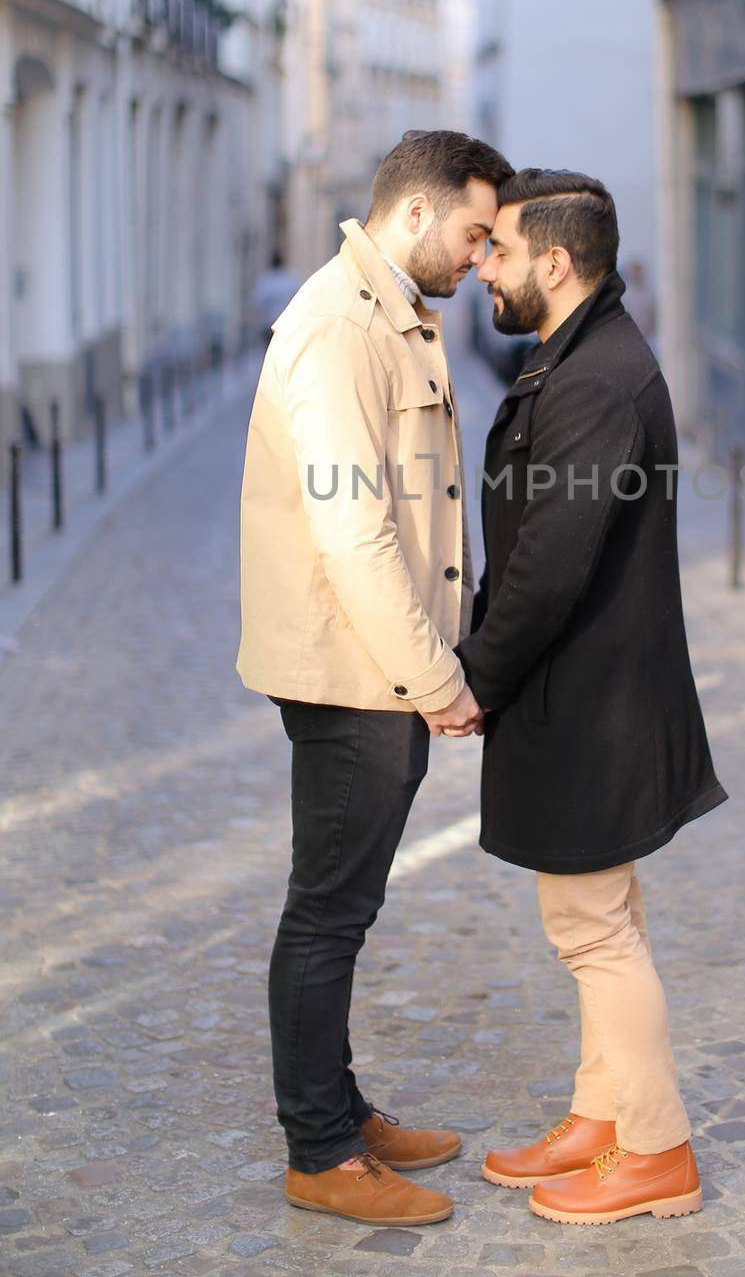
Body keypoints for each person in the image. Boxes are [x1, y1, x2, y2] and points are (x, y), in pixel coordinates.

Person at [235, 129, 512, 1227]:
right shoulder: (340, 328)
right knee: (327, 912)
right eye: (473, 230)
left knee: (344, 904)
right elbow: (353, 535)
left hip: (374, 670)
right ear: (414, 214)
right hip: (355, 672)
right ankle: (319, 1150)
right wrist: (434, 677)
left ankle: (339, 1110)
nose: (481, 253)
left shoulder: (387, 310)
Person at [452, 169, 728, 1225]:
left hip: (594, 701)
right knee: (598, 915)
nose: (485, 264)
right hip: (586, 692)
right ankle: (599, 1117)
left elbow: (548, 566)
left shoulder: (593, 380)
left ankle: (654, 1150)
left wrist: (475, 677)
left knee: (591, 930)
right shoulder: (576, 358)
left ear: (553, 264)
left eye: (501, 251)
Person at [251, 250, 301, 347]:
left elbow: (257, 303)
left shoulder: (266, 280)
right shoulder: (290, 279)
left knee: (270, 354)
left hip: (269, 325)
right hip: (286, 325)